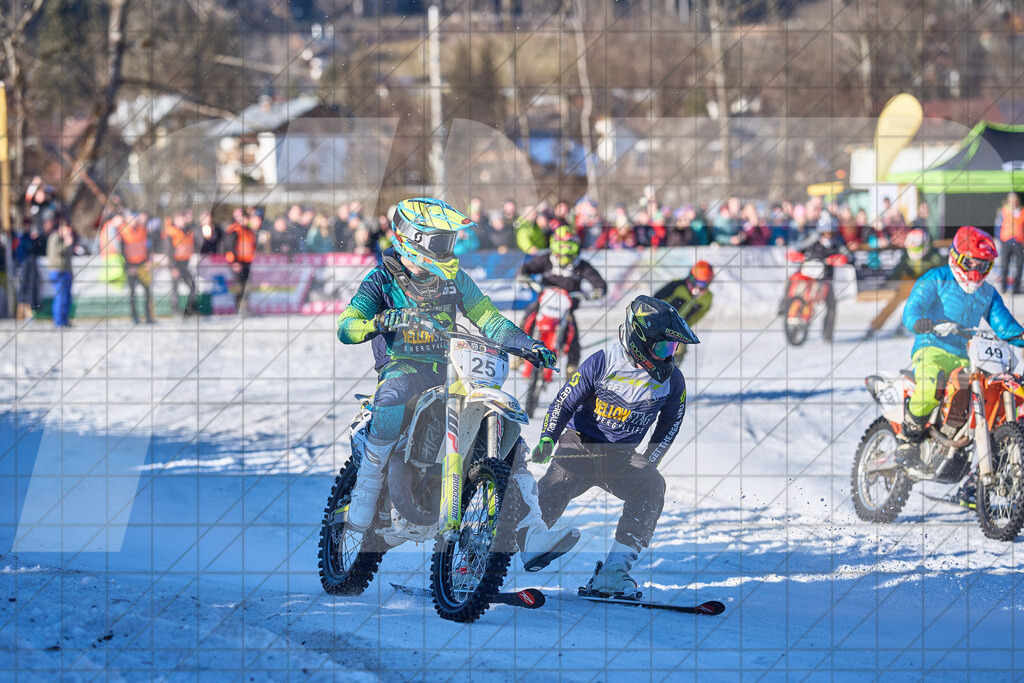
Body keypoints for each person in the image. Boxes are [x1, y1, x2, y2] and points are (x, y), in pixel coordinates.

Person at [335, 197, 578, 572]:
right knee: (394, 394)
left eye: (449, 241)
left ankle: (532, 533)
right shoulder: (381, 279)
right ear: (412, 238)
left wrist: (528, 344)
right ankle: (367, 487)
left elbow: (489, 319)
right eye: (441, 242)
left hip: (455, 368)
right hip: (404, 367)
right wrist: (383, 319)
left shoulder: (455, 279)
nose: (449, 249)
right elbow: (347, 326)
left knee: (508, 436)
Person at [531, 296, 699, 597]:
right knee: (552, 491)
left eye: (673, 348)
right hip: (579, 446)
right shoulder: (603, 360)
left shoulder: (673, 381)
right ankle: (487, 556)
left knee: (651, 485)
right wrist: (547, 437)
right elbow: (564, 401)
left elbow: (671, 424)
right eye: (663, 347)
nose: (668, 356)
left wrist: (651, 459)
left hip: (620, 457)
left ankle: (613, 572)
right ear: (639, 341)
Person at [897, 225, 1024, 506]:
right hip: (933, 347)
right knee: (931, 385)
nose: (977, 270)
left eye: (984, 264)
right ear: (956, 256)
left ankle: (975, 479)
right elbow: (913, 307)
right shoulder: (937, 278)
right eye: (972, 262)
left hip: (970, 354)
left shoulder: (987, 293)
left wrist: (1021, 336)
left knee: (994, 402)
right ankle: (909, 441)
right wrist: (919, 321)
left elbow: (1005, 326)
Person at [518, 226, 607, 374]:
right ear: (554, 245)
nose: (564, 252)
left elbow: (599, 282)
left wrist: (599, 291)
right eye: (561, 246)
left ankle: (572, 364)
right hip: (544, 303)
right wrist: (523, 276)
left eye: (569, 247)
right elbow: (526, 268)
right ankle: (519, 347)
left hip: (567, 308)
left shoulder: (581, 265)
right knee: (528, 314)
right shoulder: (546, 259)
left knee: (573, 332)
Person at [863, 228, 945, 338]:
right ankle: (875, 325)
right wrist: (887, 282)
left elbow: (944, 273)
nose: (914, 251)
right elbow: (899, 269)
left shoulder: (935, 257)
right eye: (911, 247)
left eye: (917, 247)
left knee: (922, 301)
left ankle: (905, 324)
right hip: (910, 280)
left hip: (926, 283)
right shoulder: (906, 256)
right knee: (896, 299)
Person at [787, 222, 852, 343]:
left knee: (832, 305)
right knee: (791, 281)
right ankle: (784, 307)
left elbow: (847, 255)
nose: (829, 236)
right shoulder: (812, 240)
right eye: (826, 233)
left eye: (831, 233)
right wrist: (799, 255)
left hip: (825, 279)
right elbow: (797, 248)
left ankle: (827, 334)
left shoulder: (837, 244)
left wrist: (840, 258)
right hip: (806, 275)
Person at [652, 260, 714, 361]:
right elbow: (655, 299)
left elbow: (697, 317)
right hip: (659, 324)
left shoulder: (707, 298)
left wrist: (683, 330)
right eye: (696, 282)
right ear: (690, 277)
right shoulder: (678, 285)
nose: (698, 287)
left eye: (703, 284)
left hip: (676, 331)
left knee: (679, 351)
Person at [118, 213, 154, 324]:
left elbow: (147, 246)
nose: (133, 221)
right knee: (132, 293)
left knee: (147, 291)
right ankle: (134, 316)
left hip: (142, 264)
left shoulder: (143, 230)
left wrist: (148, 260)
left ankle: (148, 316)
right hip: (131, 266)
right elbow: (121, 251)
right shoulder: (122, 232)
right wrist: (128, 266)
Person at [164, 212, 198, 315]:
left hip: (184, 264)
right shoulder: (171, 232)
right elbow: (168, 251)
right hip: (175, 264)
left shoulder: (188, 231)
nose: (183, 222)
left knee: (192, 286)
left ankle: (188, 309)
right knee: (175, 288)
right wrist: (173, 267)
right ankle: (175, 310)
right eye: (180, 219)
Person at [224, 209, 257, 313]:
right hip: (238, 262)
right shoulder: (234, 230)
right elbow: (228, 247)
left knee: (247, 286)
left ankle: (245, 307)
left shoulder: (248, 230)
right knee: (239, 286)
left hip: (247, 262)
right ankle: (238, 307)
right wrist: (234, 262)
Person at [46, 219, 75, 328]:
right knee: (60, 298)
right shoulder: (55, 237)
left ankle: (64, 320)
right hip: (58, 271)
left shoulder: (64, 239)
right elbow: (56, 252)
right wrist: (67, 244)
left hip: (65, 271)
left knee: (66, 298)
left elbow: (68, 258)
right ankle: (58, 322)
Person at [996, 192, 1024, 295]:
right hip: (1006, 241)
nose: (1014, 202)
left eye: (1015, 200)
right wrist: (1000, 241)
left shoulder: (1022, 212)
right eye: (1011, 200)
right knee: (1004, 265)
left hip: (1018, 242)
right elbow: (998, 227)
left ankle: (1016, 288)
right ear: (1008, 201)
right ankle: (1003, 287)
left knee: (1019, 265)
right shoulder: (1003, 211)